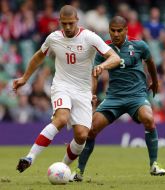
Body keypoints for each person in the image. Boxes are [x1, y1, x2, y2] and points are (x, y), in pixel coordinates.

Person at [14, 5, 121, 173]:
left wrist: (103, 66)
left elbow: (114, 58)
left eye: (71, 23)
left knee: (81, 136)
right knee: (61, 118)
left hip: (83, 91)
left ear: (77, 21)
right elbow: (38, 56)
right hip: (62, 86)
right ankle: (30, 157)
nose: (68, 27)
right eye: (65, 23)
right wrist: (25, 78)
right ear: (60, 22)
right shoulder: (53, 38)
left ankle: (63, 168)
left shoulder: (89, 37)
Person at [70, 16, 165, 182]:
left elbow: (150, 62)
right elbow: (95, 73)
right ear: (109, 31)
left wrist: (155, 82)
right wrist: (92, 93)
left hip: (136, 96)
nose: (116, 34)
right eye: (112, 30)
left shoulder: (139, 46)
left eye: (119, 30)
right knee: (91, 130)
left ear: (126, 30)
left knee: (149, 119)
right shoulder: (104, 49)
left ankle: (154, 164)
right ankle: (79, 172)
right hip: (114, 98)